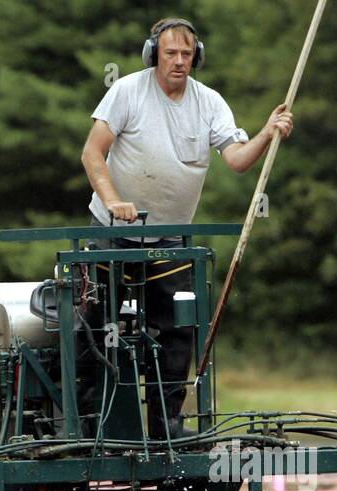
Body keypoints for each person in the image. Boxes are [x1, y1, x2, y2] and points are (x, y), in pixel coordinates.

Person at [79, 16, 293, 439]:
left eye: (186, 54)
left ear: (197, 58)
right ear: (153, 54)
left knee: (179, 328)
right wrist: (113, 201)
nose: (179, 61)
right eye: (170, 53)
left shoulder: (209, 102)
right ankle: (88, 426)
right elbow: (91, 153)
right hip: (111, 231)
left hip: (171, 239)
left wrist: (268, 132)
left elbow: (236, 160)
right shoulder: (126, 91)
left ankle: (166, 427)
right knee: (95, 326)